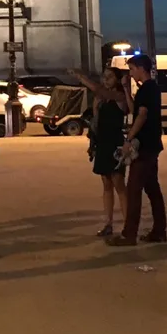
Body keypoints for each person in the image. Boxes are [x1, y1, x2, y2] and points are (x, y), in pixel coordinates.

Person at [107, 54, 167, 247]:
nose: (131, 73)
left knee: (133, 190)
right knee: (152, 189)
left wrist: (129, 139)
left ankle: (129, 234)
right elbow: (134, 109)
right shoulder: (150, 89)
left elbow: (141, 116)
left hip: (144, 146)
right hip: (153, 145)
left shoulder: (147, 89)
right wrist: (125, 88)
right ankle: (159, 231)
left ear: (141, 68)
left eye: (132, 69)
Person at [71, 66, 130, 238]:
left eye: (110, 77)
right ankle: (108, 223)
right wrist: (93, 143)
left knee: (119, 183)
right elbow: (96, 124)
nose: (106, 80)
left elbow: (99, 89)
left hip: (115, 143)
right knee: (106, 184)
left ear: (117, 80)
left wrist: (81, 77)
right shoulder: (101, 99)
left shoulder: (120, 97)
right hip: (103, 143)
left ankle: (128, 224)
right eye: (104, 77)